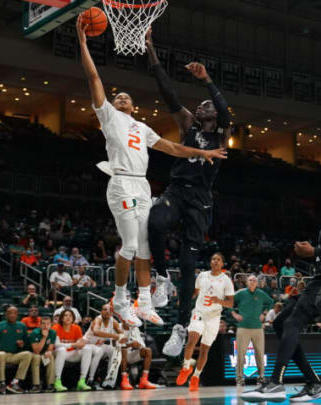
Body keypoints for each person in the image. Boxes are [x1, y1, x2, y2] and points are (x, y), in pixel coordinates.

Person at [77, 17, 226, 329]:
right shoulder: (108, 116)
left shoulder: (142, 127)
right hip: (126, 183)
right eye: (118, 97)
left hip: (154, 189)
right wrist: (83, 43)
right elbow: (95, 80)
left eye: (126, 97)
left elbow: (172, 149)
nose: (122, 98)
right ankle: (122, 298)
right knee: (133, 244)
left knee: (147, 247)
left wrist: (203, 152)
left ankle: (145, 301)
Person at [243, 176, 321, 401]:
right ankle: (314, 382)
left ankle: (275, 383)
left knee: (293, 323)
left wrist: (315, 252)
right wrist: (315, 257)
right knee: (281, 322)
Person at [143, 27, 231, 355]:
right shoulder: (188, 126)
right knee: (154, 222)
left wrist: (207, 79)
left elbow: (225, 112)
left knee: (190, 262)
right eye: (203, 103)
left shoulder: (222, 134)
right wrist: (151, 49)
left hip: (201, 200)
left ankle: (181, 326)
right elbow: (167, 92)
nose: (206, 105)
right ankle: (162, 277)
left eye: (209, 104)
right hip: (178, 190)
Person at [176, 253, 235, 392]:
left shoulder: (226, 280)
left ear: (222, 264)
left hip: (214, 317)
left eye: (218, 259)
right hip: (199, 312)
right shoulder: (202, 275)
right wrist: (184, 300)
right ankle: (185, 368)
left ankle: (196, 377)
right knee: (191, 340)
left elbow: (231, 303)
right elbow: (195, 292)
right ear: (210, 262)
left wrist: (218, 300)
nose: (215, 261)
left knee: (204, 349)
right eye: (213, 259)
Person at [232, 275, 273, 386]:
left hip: (258, 328)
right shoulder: (241, 293)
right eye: (250, 280)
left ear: (257, 283)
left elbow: (270, 302)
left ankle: (261, 378)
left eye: (254, 280)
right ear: (246, 282)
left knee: (260, 354)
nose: (252, 282)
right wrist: (234, 313)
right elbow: (228, 301)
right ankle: (239, 379)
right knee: (240, 355)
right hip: (243, 328)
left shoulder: (261, 294)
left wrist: (264, 313)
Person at [0, 306, 32, 394]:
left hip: (13, 355)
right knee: (1, 354)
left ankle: (15, 383)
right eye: (10, 313)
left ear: (17, 315)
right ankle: (2, 384)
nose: (12, 315)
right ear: (6, 314)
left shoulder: (22, 326)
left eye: (14, 313)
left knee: (28, 354)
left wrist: (22, 344)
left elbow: (27, 344)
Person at [83, 304, 125, 389]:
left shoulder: (113, 321)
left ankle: (109, 380)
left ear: (112, 313)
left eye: (109, 310)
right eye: (105, 309)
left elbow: (121, 333)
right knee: (100, 351)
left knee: (115, 352)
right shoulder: (98, 320)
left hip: (100, 345)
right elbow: (96, 332)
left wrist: (121, 337)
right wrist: (114, 336)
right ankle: (90, 379)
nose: (107, 311)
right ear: (101, 312)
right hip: (88, 344)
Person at [52, 309, 94, 391]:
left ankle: (82, 381)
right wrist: (74, 344)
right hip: (58, 353)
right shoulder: (56, 327)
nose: (68, 317)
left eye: (70, 316)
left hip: (71, 353)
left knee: (88, 349)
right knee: (62, 349)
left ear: (73, 318)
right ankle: (57, 381)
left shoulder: (76, 328)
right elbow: (57, 344)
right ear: (62, 318)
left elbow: (80, 343)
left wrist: (80, 344)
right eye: (66, 315)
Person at [121, 324, 157, 390]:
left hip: (132, 354)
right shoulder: (117, 326)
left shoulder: (135, 328)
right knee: (124, 350)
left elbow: (142, 345)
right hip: (119, 355)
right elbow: (115, 345)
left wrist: (138, 345)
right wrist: (129, 345)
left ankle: (144, 380)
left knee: (147, 350)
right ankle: (124, 380)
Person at [29, 316, 57, 393]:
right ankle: (36, 385)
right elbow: (36, 351)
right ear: (40, 325)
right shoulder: (34, 333)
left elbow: (50, 348)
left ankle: (50, 384)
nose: (45, 326)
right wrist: (44, 337)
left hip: (43, 354)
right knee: (37, 357)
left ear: (51, 324)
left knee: (50, 356)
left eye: (48, 324)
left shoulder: (53, 332)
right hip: (32, 354)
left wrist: (48, 352)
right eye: (43, 324)